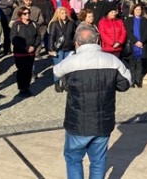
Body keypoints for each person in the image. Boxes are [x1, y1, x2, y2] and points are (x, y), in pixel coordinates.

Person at [53, 26, 131, 179]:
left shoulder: (71, 62)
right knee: (98, 161)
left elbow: (57, 73)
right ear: (97, 40)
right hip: (103, 122)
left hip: (77, 122)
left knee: (74, 159)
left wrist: (70, 56)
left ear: (77, 43)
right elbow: (125, 84)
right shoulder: (112, 61)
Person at [11, 6, 41, 97]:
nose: (27, 15)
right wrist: (25, 47)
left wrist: (34, 46)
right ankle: (21, 88)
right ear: (20, 15)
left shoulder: (34, 24)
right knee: (21, 70)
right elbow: (13, 38)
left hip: (31, 52)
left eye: (28, 13)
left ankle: (27, 87)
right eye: (25, 13)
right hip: (20, 52)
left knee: (29, 70)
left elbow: (38, 37)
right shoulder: (17, 24)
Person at [48, 7, 76, 92]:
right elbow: (51, 37)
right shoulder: (54, 23)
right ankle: (57, 83)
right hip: (58, 48)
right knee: (58, 67)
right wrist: (51, 49)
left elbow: (74, 35)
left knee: (67, 67)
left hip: (69, 47)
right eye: (62, 13)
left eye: (65, 13)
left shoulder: (71, 23)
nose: (64, 15)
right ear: (58, 14)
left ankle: (65, 83)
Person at [122, 3, 147, 88]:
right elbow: (129, 32)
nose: (138, 11)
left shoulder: (144, 20)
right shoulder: (128, 20)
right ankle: (132, 81)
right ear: (133, 10)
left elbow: (145, 32)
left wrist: (141, 41)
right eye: (136, 10)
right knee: (132, 64)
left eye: (140, 10)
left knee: (140, 64)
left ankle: (138, 81)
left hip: (141, 45)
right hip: (132, 45)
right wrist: (136, 41)